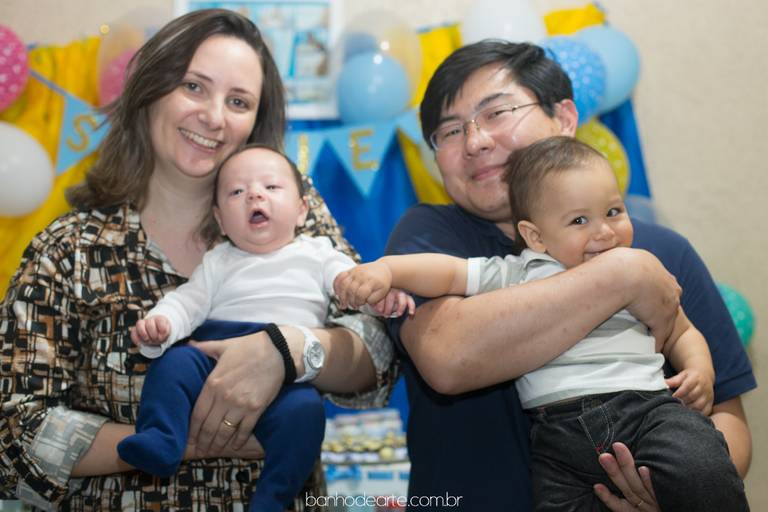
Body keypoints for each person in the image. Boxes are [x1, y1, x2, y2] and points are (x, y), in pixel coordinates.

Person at [0, 9, 395, 511]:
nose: (214, 116)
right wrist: (188, 441)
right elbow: (11, 429)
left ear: (256, 120)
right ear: (149, 89)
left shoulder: (294, 212)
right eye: (193, 86)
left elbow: (378, 355)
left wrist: (293, 348)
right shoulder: (72, 249)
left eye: (238, 101)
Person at [384, 40, 756, 511]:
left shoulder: (663, 250)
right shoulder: (428, 236)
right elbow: (447, 358)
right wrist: (622, 275)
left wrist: (672, 492)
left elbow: (728, 416)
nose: (475, 142)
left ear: (563, 117)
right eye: (450, 131)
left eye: (497, 113)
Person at [120, 144, 409, 511]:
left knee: (306, 416)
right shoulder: (219, 259)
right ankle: (161, 438)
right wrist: (162, 323)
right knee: (172, 366)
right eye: (237, 192)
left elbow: (351, 284)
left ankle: (273, 496)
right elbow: (189, 301)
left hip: (289, 373)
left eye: (271, 187)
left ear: (302, 209)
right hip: (212, 352)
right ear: (221, 220)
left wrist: (378, 297)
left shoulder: (318, 253)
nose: (254, 194)